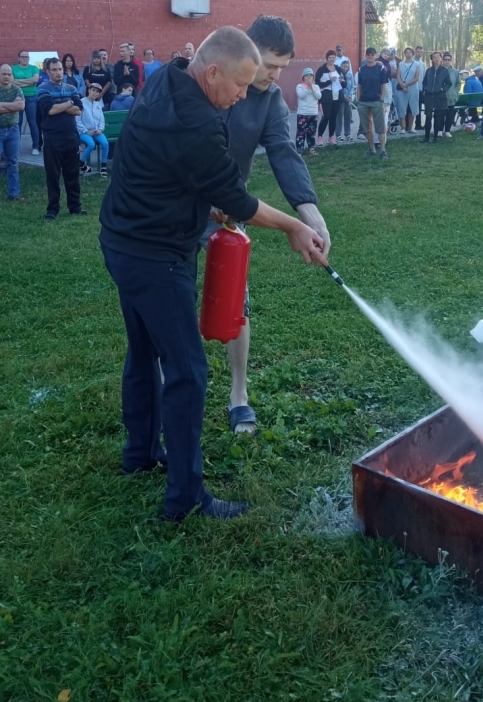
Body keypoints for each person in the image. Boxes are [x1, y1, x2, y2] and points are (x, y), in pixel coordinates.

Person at [99, 26, 327, 522]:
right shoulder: (194, 122)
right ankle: (184, 499)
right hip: (154, 255)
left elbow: (185, 177)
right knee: (188, 370)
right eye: (240, 87)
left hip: (121, 239)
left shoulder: (167, 78)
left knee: (143, 353)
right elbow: (239, 199)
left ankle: (140, 455)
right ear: (212, 72)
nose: (243, 97)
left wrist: (207, 201)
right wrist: (293, 225)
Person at [204, 16, 330, 434]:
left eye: (283, 67)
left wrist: (311, 213)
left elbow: (284, 152)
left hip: (230, 210)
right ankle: (172, 385)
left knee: (237, 299)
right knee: (176, 297)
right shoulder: (211, 81)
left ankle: (238, 394)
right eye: (272, 65)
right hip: (182, 208)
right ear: (249, 51)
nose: (277, 76)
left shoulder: (271, 99)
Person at [37, 58, 86, 220]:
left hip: (71, 138)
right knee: (53, 175)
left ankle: (75, 207)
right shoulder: (43, 88)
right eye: (54, 70)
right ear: (48, 72)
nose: (58, 72)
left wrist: (63, 105)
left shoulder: (71, 87)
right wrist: (70, 102)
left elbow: (79, 110)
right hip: (52, 139)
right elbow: (50, 110)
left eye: (60, 69)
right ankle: (52, 209)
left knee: (72, 175)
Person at [356, 47, 389, 159]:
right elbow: (359, 85)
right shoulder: (362, 69)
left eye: (372, 54)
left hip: (376, 101)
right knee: (367, 128)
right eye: (368, 54)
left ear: (375, 56)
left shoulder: (380, 69)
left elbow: (384, 85)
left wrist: (382, 99)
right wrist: (358, 100)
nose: (370, 56)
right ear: (366, 56)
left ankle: (383, 150)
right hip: (364, 102)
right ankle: (372, 149)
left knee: (380, 128)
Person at [0, 64, 25, 201]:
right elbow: (15, 106)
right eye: (4, 74)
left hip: (13, 130)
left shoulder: (17, 89)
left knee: (13, 162)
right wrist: (12, 106)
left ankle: (13, 194)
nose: (6, 77)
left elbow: (21, 106)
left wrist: (2, 105)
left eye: (9, 74)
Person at [77, 84, 109, 177]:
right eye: (93, 90)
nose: (95, 93)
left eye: (98, 92)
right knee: (91, 144)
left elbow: (101, 120)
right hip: (84, 131)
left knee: (105, 144)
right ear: (89, 90)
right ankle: (81, 163)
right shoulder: (81, 102)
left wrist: (100, 129)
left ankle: (103, 166)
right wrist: (85, 131)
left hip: (96, 131)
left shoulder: (98, 104)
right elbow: (77, 120)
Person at [12, 50, 40, 155]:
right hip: (17, 98)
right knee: (17, 123)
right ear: (18, 58)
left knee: (33, 122)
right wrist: (29, 81)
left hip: (31, 98)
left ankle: (35, 147)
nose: (25, 59)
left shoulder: (34, 68)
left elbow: (35, 80)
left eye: (27, 57)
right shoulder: (13, 68)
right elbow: (12, 82)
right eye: (23, 57)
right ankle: (16, 146)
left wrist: (19, 82)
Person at [421, 52, 451, 143]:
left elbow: (449, 83)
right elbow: (424, 82)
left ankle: (435, 137)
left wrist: (442, 89)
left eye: (438, 57)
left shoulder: (444, 71)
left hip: (440, 97)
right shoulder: (429, 70)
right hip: (429, 97)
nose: (436, 59)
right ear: (432, 60)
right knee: (428, 117)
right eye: (434, 57)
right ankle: (426, 137)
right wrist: (426, 89)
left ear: (441, 59)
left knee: (438, 117)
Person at [315, 50, 342, 146]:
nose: (332, 59)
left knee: (333, 117)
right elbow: (317, 83)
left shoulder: (338, 69)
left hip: (337, 95)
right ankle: (320, 137)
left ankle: (331, 137)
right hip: (326, 96)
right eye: (330, 57)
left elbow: (344, 83)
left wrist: (342, 81)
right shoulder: (321, 69)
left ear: (335, 58)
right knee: (326, 117)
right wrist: (329, 81)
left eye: (333, 57)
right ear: (327, 58)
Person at [295, 67, 321, 155]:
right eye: (306, 76)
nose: (309, 78)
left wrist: (312, 88)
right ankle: (299, 150)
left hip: (313, 113)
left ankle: (311, 148)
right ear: (303, 78)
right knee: (301, 133)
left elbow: (318, 96)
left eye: (311, 76)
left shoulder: (316, 87)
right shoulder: (299, 86)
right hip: (303, 113)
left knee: (312, 133)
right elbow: (301, 95)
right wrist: (308, 88)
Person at [396, 47, 421, 132]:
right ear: (404, 54)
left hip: (413, 89)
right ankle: (403, 127)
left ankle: (410, 128)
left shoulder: (416, 64)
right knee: (402, 107)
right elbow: (398, 76)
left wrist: (406, 84)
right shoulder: (401, 64)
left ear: (413, 54)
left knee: (412, 108)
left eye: (410, 52)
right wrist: (402, 85)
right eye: (407, 52)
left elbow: (417, 77)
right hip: (402, 89)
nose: (408, 54)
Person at [335, 59, 355, 142]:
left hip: (348, 98)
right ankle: (338, 134)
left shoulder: (350, 75)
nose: (345, 68)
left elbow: (352, 86)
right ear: (341, 66)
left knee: (348, 116)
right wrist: (344, 97)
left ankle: (347, 133)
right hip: (341, 98)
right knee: (339, 116)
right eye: (344, 66)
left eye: (347, 67)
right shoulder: (339, 75)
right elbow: (338, 87)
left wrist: (349, 96)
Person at [441, 52, 460, 137]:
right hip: (441, 97)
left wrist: (455, 92)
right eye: (445, 60)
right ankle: (439, 130)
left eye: (449, 60)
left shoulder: (455, 71)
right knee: (440, 115)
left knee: (450, 115)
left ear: (451, 61)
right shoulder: (439, 70)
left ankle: (447, 130)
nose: (447, 61)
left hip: (451, 97)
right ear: (442, 60)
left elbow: (458, 83)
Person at [413, 46, 426, 129]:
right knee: (411, 108)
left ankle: (418, 124)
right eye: (418, 51)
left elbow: (424, 77)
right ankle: (408, 125)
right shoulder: (411, 62)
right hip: (413, 88)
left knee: (419, 107)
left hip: (421, 89)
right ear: (415, 51)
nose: (420, 53)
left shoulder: (423, 64)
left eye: (421, 52)